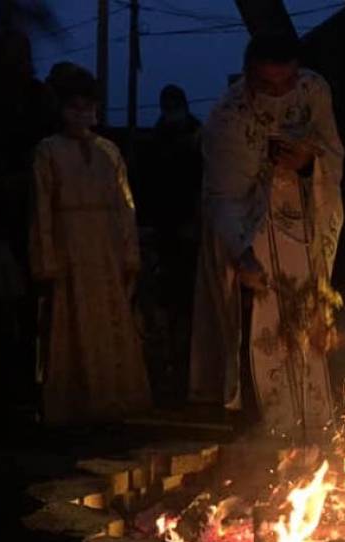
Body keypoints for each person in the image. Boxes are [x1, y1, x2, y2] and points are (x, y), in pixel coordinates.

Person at [189, 33, 344, 439]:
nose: (279, 94)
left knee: (310, 327)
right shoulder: (228, 117)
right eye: (267, 86)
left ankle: (316, 430)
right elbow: (222, 196)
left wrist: (310, 162)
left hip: (305, 233)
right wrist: (241, 255)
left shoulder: (313, 91)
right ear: (249, 76)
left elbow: (334, 155)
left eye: (286, 83)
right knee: (258, 334)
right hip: (251, 237)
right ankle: (261, 440)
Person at [29, 65, 151, 425]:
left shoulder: (109, 152)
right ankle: (75, 402)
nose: (82, 115)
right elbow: (41, 207)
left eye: (87, 107)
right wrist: (46, 258)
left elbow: (125, 205)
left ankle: (114, 399)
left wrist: (130, 253)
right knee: (73, 319)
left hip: (106, 246)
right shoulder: (48, 151)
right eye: (74, 107)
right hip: (71, 245)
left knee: (111, 318)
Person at [145, 84, 202, 404]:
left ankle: (187, 374)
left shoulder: (198, 137)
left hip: (191, 232)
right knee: (168, 308)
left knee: (189, 308)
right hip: (166, 232)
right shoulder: (156, 141)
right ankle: (170, 375)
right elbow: (149, 183)